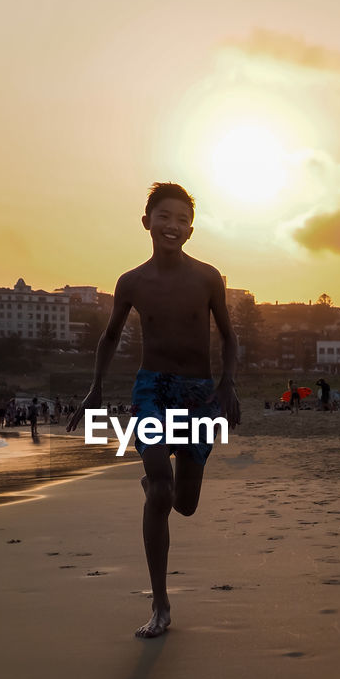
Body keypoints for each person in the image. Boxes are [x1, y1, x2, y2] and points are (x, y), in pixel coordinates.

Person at [67, 183, 241, 638]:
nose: (173, 225)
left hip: (199, 393)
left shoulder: (207, 277)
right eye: (164, 216)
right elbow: (108, 338)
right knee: (162, 493)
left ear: (191, 230)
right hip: (153, 390)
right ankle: (160, 605)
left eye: (182, 219)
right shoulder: (132, 282)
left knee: (184, 504)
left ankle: (155, 481)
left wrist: (227, 385)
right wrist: (95, 389)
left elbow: (229, 336)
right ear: (147, 222)